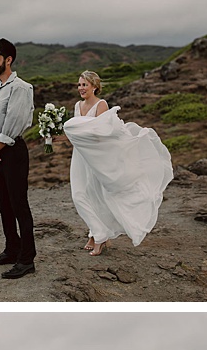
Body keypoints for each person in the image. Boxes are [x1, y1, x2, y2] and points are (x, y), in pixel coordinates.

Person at [63, 70, 173, 255]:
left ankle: (98, 237)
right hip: (80, 156)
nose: (81, 88)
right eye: (79, 84)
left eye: (85, 85)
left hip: (98, 158)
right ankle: (97, 232)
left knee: (97, 194)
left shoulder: (101, 105)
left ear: (95, 87)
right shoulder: (77, 105)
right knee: (79, 195)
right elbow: (76, 134)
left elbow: (104, 134)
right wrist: (56, 137)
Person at [0, 38, 37, 280]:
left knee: (19, 205)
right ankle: (11, 250)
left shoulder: (22, 88)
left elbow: (14, 125)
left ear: (8, 59)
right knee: (3, 205)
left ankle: (27, 259)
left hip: (13, 151)